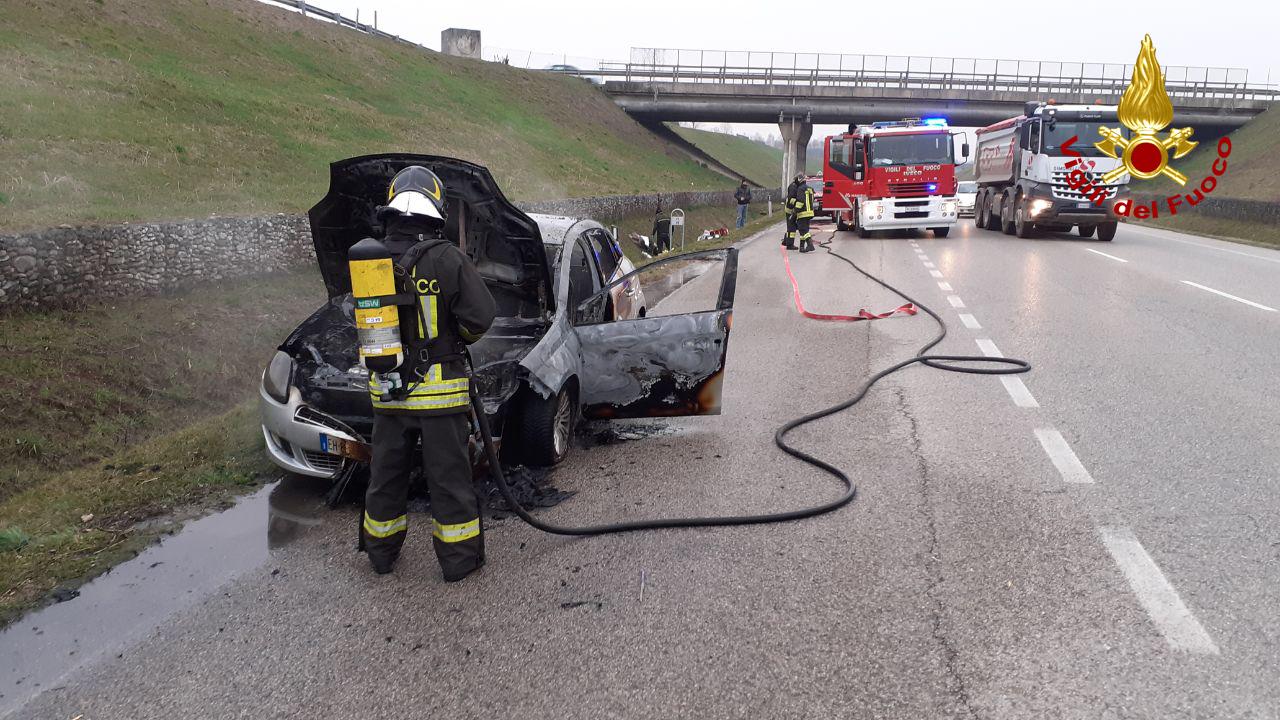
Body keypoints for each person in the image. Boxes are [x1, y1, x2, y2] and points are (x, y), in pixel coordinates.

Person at [361, 165, 497, 582]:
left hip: (388, 393)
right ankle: (458, 562)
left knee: (385, 478)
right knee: (449, 481)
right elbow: (481, 317)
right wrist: (456, 338)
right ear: (436, 210)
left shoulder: (369, 259)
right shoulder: (447, 258)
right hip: (440, 397)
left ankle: (380, 556)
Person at [790, 173, 817, 253]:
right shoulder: (810, 188)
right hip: (810, 213)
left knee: (803, 230)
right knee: (804, 230)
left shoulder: (800, 189)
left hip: (803, 213)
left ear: (799, 180)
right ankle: (802, 247)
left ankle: (810, 245)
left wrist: (794, 212)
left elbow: (800, 202)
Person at [782, 175, 802, 249]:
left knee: (792, 226)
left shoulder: (795, 186)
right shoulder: (793, 187)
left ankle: (786, 241)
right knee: (792, 228)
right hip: (790, 210)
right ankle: (790, 245)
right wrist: (798, 202)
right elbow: (791, 200)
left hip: (791, 210)